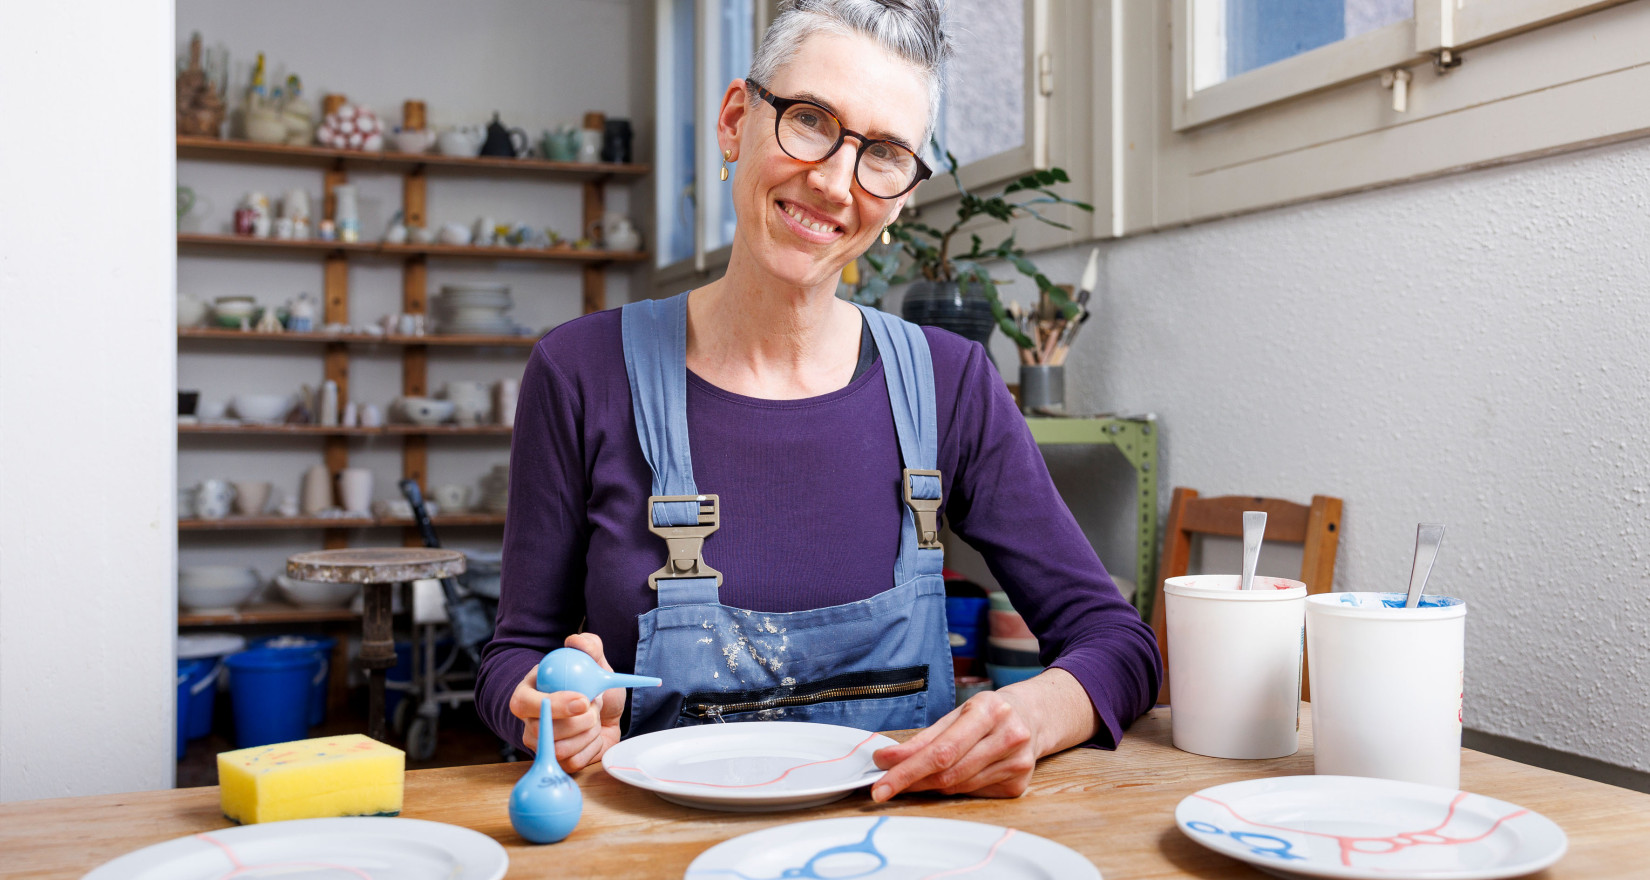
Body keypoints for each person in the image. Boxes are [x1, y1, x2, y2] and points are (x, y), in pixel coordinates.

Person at [476, 0, 1160, 801]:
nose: (835, 182)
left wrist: (1032, 714)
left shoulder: (952, 384)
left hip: (892, 850)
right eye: (809, 121)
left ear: (904, 196)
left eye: (885, 154)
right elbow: (511, 657)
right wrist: (540, 708)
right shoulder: (580, 371)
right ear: (737, 121)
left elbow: (1119, 643)